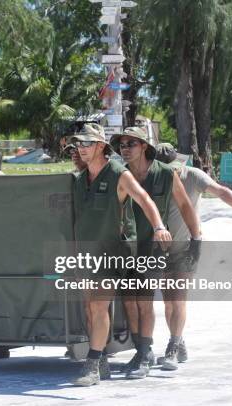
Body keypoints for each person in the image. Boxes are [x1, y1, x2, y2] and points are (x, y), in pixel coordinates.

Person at [70, 124, 172, 386]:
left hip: (112, 251)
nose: (81, 149)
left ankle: (92, 365)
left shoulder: (118, 173)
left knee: (100, 305)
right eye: (78, 144)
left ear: (101, 146)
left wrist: (159, 226)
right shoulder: (80, 180)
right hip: (86, 253)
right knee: (89, 308)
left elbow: (145, 199)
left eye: (86, 144)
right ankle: (101, 359)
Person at [154, 143, 232, 370]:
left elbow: (221, 191)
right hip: (161, 249)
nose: (173, 171)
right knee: (168, 302)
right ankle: (179, 341)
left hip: (187, 247)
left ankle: (172, 347)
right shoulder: (155, 179)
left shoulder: (193, 175)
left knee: (178, 298)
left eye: (174, 166)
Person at [109, 127, 202, 379]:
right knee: (130, 301)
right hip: (127, 245)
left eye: (131, 143)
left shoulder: (165, 174)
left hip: (155, 245)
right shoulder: (120, 174)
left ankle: (152, 349)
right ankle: (141, 351)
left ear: (144, 146)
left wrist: (196, 237)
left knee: (146, 300)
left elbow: (184, 205)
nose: (124, 148)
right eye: (122, 144)